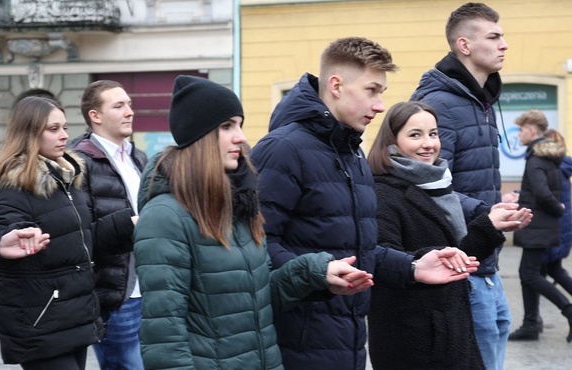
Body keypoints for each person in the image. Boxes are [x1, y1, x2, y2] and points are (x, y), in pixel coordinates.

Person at [248, 36, 482, 370]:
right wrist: (318, 274)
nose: (380, 105)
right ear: (336, 85)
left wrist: (413, 267)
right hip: (297, 341)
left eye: (381, 93)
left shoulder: (351, 151)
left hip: (347, 337)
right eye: (372, 90)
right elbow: (254, 248)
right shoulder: (283, 149)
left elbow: (359, 249)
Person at [133, 74, 383, 369]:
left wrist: (316, 274)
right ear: (197, 137)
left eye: (239, 124)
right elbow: (164, 338)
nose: (240, 136)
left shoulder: (239, 206)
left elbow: (261, 298)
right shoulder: (166, 217)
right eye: (227, 126)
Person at [0, 96, 136, 369]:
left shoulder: (66, 179)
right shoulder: (13, 184)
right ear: (29, 134)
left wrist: (128, 223)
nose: (64, 136)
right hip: (41, 322)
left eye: (65, 127)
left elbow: (81, 240)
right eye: (53, 129)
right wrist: (17, 233)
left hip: (72, 316)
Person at [365, 101, 532, 369]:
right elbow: (381, 258)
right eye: (415, 135)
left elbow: (454, 261)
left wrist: (491, 227)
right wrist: (417, 263)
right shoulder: (383, 192)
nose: (428, 143)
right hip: (412, 337)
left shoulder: (439, 185)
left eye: (433, 133)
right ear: (391, 141)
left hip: (450, 327)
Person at [410, 3, 512, 368]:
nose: (504, 45)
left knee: (496, 340)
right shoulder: (440, 104)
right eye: (494, 37)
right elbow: (425, 182)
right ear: (464, 45)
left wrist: (501, 205)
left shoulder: (480, 102)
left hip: (486, 259)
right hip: (459, 260)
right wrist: (487, 212)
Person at [71, 80, 147, 370]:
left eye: (129, 104)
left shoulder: (137, 157)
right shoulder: (78, 161)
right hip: (114, 295)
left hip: (148, 287)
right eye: (119, 106)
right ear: (96, 116)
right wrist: (131, 224)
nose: (129, 111)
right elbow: (79, 236)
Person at [508, 110, 572, 342]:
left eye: (522, 130)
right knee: (533, 273)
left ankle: (567, 310)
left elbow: (543, 193)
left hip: (537, 226)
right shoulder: (551, 157)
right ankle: (531, 324)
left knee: (529, 274)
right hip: (545, 226)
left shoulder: (535, 158)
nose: (520, 135)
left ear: (531, 130)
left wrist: (558, 209)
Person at [542, 129, 572, 297]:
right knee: (550, 270)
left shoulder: (554, 169)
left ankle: (532, 318)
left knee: (543, 273)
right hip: (562, 227)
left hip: (553, 228)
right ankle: (532, 317)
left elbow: (543, 193)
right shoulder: (563, 167)